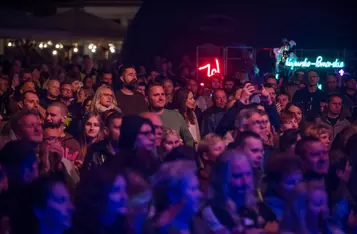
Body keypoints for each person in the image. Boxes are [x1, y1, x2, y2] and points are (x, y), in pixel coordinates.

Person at [144, 160, 209, 234]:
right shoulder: (153, 231)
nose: (200, 194)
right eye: (193, 189)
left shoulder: (201, 226)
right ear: (172, 195)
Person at [72, 166, 129, 234]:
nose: (124, 196)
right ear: (98, 193)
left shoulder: (123, 227)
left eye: (125, 189)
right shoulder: (79, 229)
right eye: (116, 190)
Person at [146, 82, 194, 147]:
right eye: (156, 95)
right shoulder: (143, 118)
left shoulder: (176, 115)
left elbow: (189, 140)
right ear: (147, 98)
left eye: (163, 94)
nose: (161, 98)